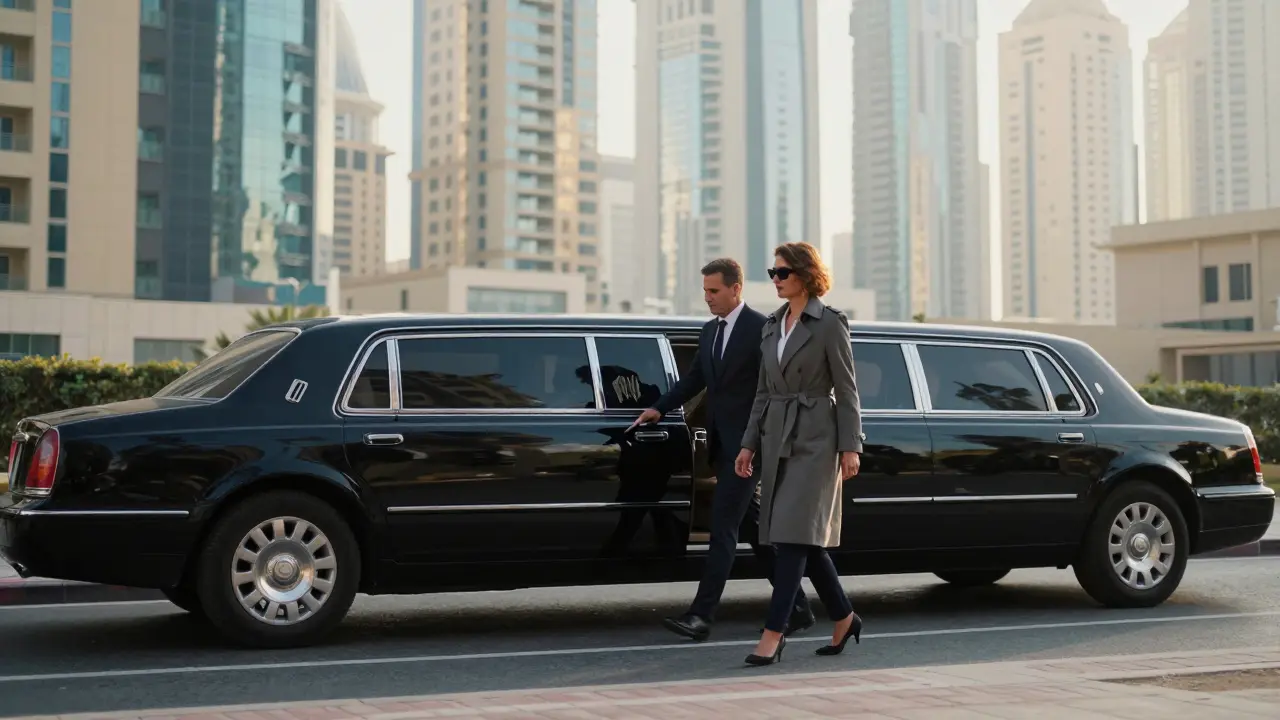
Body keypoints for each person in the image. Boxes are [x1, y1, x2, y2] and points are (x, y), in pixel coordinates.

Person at [629, 258, 814, 642]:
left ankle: (701, 616)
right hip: (722, 444)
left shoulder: (763, 329)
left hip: (750, 448)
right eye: (705, 291)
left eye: (714, 291)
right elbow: (696, 379)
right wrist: (658, 408)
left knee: (722, 528)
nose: (708, 298)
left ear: (736, 288)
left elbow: (774, 390)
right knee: (756, 531)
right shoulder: (709, 331)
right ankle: (797, 607)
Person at [735, 242, 863, 667]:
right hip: (776, 437)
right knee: (803, 539)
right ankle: (844, 617)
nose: (775, 279)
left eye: (782, 272)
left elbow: (846, 390)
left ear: (806, 274)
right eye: (772, 272)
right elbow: (763, 392)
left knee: (791, 537)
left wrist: (850, 446)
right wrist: (748, 443)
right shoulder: (771, 325)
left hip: (816, 439)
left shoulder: (829, 324)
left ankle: (775, 630)